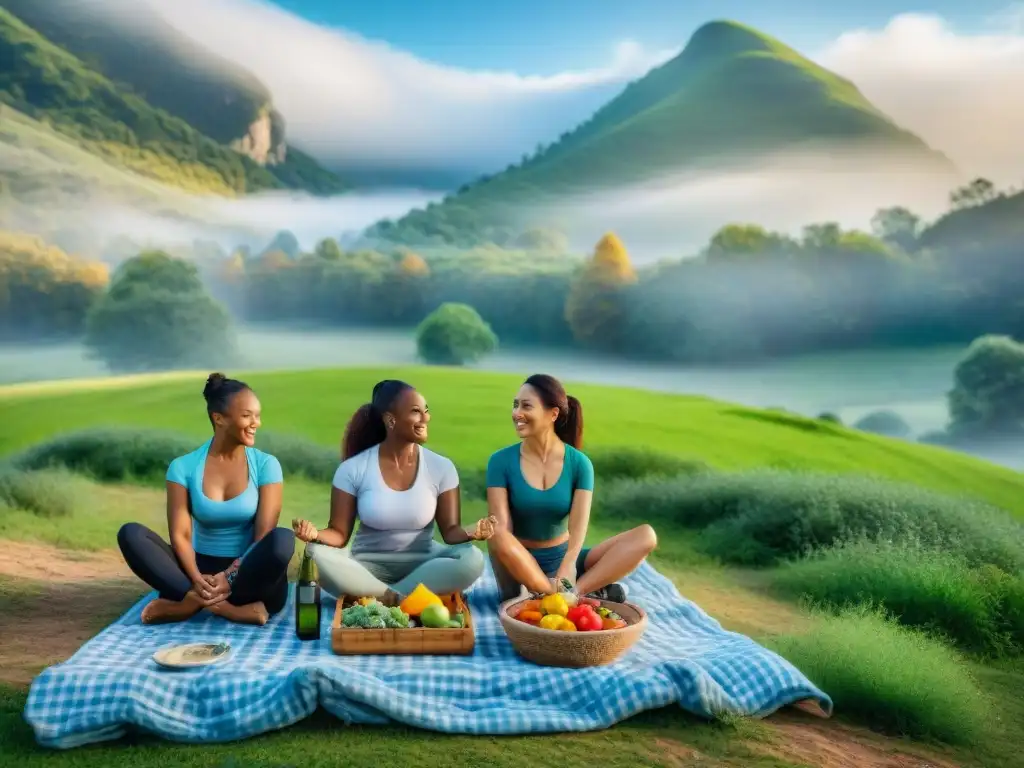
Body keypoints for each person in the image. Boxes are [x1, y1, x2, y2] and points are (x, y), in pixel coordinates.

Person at [292, 379, 493, 603]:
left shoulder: (441, 467)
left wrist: (472, 532)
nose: (426, 418)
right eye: (416, 412)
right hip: (364, 567)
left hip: (423, 566)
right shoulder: (352, 469)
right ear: (391, 419)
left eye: (426, 411)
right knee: (315, 553)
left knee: (472, 558)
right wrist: (315, 535)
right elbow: (338, 534)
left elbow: (450, 532)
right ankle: (403, 598)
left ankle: (376, 597)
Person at [117, 373, 295, 626]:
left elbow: (262, 536)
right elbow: (181, 535)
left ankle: (185, 605)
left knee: (282, 539)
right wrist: (197, 580)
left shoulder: (266, 465)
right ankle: (217, 606)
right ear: (219, 418)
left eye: (257, 415)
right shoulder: (183, 467)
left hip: (248, 574)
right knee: (131, 534)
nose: (257, 423)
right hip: (196, 571)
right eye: (247, 415)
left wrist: (229, 576)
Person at [486, 373, 658, 603]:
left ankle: (574, 593)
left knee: (646, 536)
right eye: (515, 405)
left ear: (553, 414)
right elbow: (502, 530)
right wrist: (533, 574)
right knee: (495, 530)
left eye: (526, 406)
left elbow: (578, 527)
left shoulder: (579, 463)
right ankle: (551, 593)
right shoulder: (500, 461)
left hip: (562, 558)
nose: (517, 413)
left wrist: (568, 568)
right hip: (517, 563)